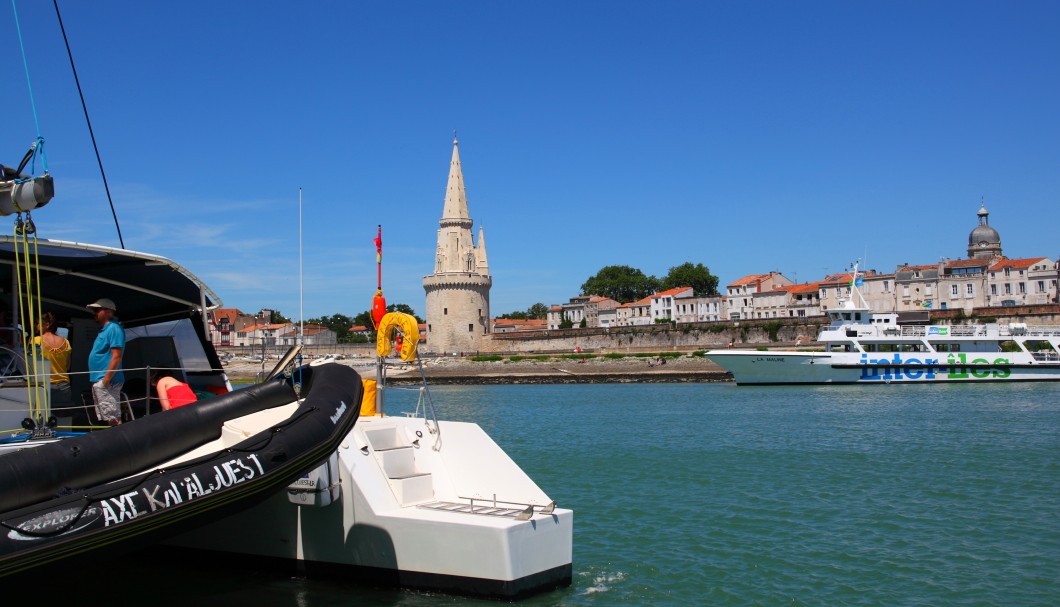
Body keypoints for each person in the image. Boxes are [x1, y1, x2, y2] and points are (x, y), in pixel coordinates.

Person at [87, 298, 124, 426]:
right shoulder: (106, 329)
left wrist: (106, 380)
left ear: (109, 312)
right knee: (109, 416)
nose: (94, 313)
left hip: (108, 381)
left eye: (97, 310)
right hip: (102, 380)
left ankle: (119, 442)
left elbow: (117, 356)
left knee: (113, 417)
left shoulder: (114, 328)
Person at [33, 312, 72, 406]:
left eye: (37, 323)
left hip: (43, 387)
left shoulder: (36, 340)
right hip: (64, 387)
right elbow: (68, 366)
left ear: (46, 325)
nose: (35, 326)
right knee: (62, 419)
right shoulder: (66, 342)